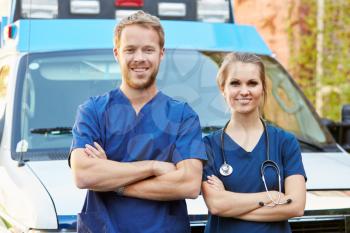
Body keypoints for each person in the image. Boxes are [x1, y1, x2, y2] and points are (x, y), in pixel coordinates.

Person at [69, 11, 207, 233]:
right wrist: (153, 167)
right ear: (117, 53)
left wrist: (116, 182)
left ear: (161, 54)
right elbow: (84, 174)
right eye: (130, 50)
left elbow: (189, 184)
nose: (139, 58)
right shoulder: (93, 111)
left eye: (148, 50)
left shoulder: (182, 116)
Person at [201, 52, 307, 233]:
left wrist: (229, 202)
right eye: (235, 83)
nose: (244, 91)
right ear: (222, 88)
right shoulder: (208, 146)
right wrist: (271, 196)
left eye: (252, 83)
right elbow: (217, 205)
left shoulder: (285, 142)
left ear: (263, 88)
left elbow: (296, 206)